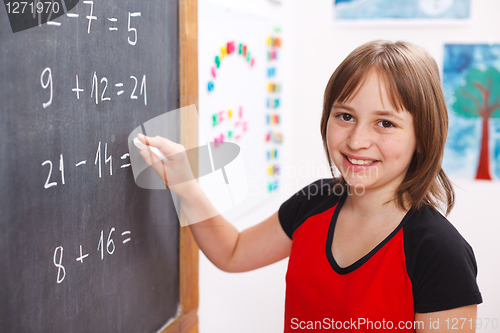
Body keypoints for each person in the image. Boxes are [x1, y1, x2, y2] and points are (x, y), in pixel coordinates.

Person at [137, 40, 482, 332]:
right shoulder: (315, 202)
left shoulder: (439, 252)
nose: (357, 140)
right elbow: (233, 252)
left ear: (423, 136)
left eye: (385, 123)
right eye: (345, 116)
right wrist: (186, 184)